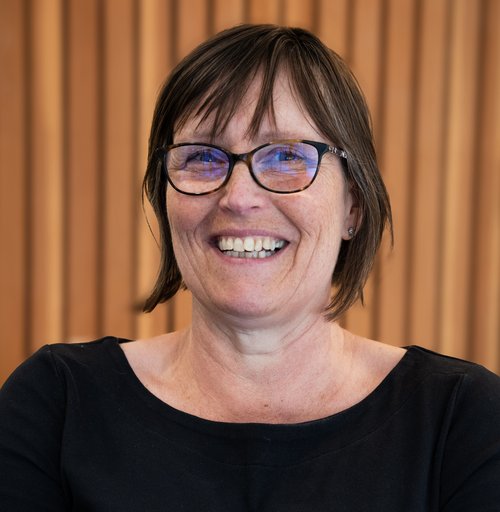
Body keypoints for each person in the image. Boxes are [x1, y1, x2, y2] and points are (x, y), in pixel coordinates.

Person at [1, 24, 499, 511]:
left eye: (285, 156)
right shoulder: (57, 404)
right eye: (202, 157)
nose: (238, 197)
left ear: (353, 204)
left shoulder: (462, 420)